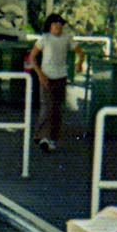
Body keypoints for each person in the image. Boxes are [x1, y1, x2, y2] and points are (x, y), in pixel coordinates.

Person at [27, 13, 83, 152]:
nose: (58, 26)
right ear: (50, 25)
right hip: (47, 76)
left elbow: (80, 53)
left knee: (57, 109)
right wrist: (40, 74)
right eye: (55, 23)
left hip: (61, 76)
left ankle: (52, 138)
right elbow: (32, 57)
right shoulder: (44, 39)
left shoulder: (67, 39)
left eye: (60, 24)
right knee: (47, 107)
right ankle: (42, 137)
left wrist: (79, 63)